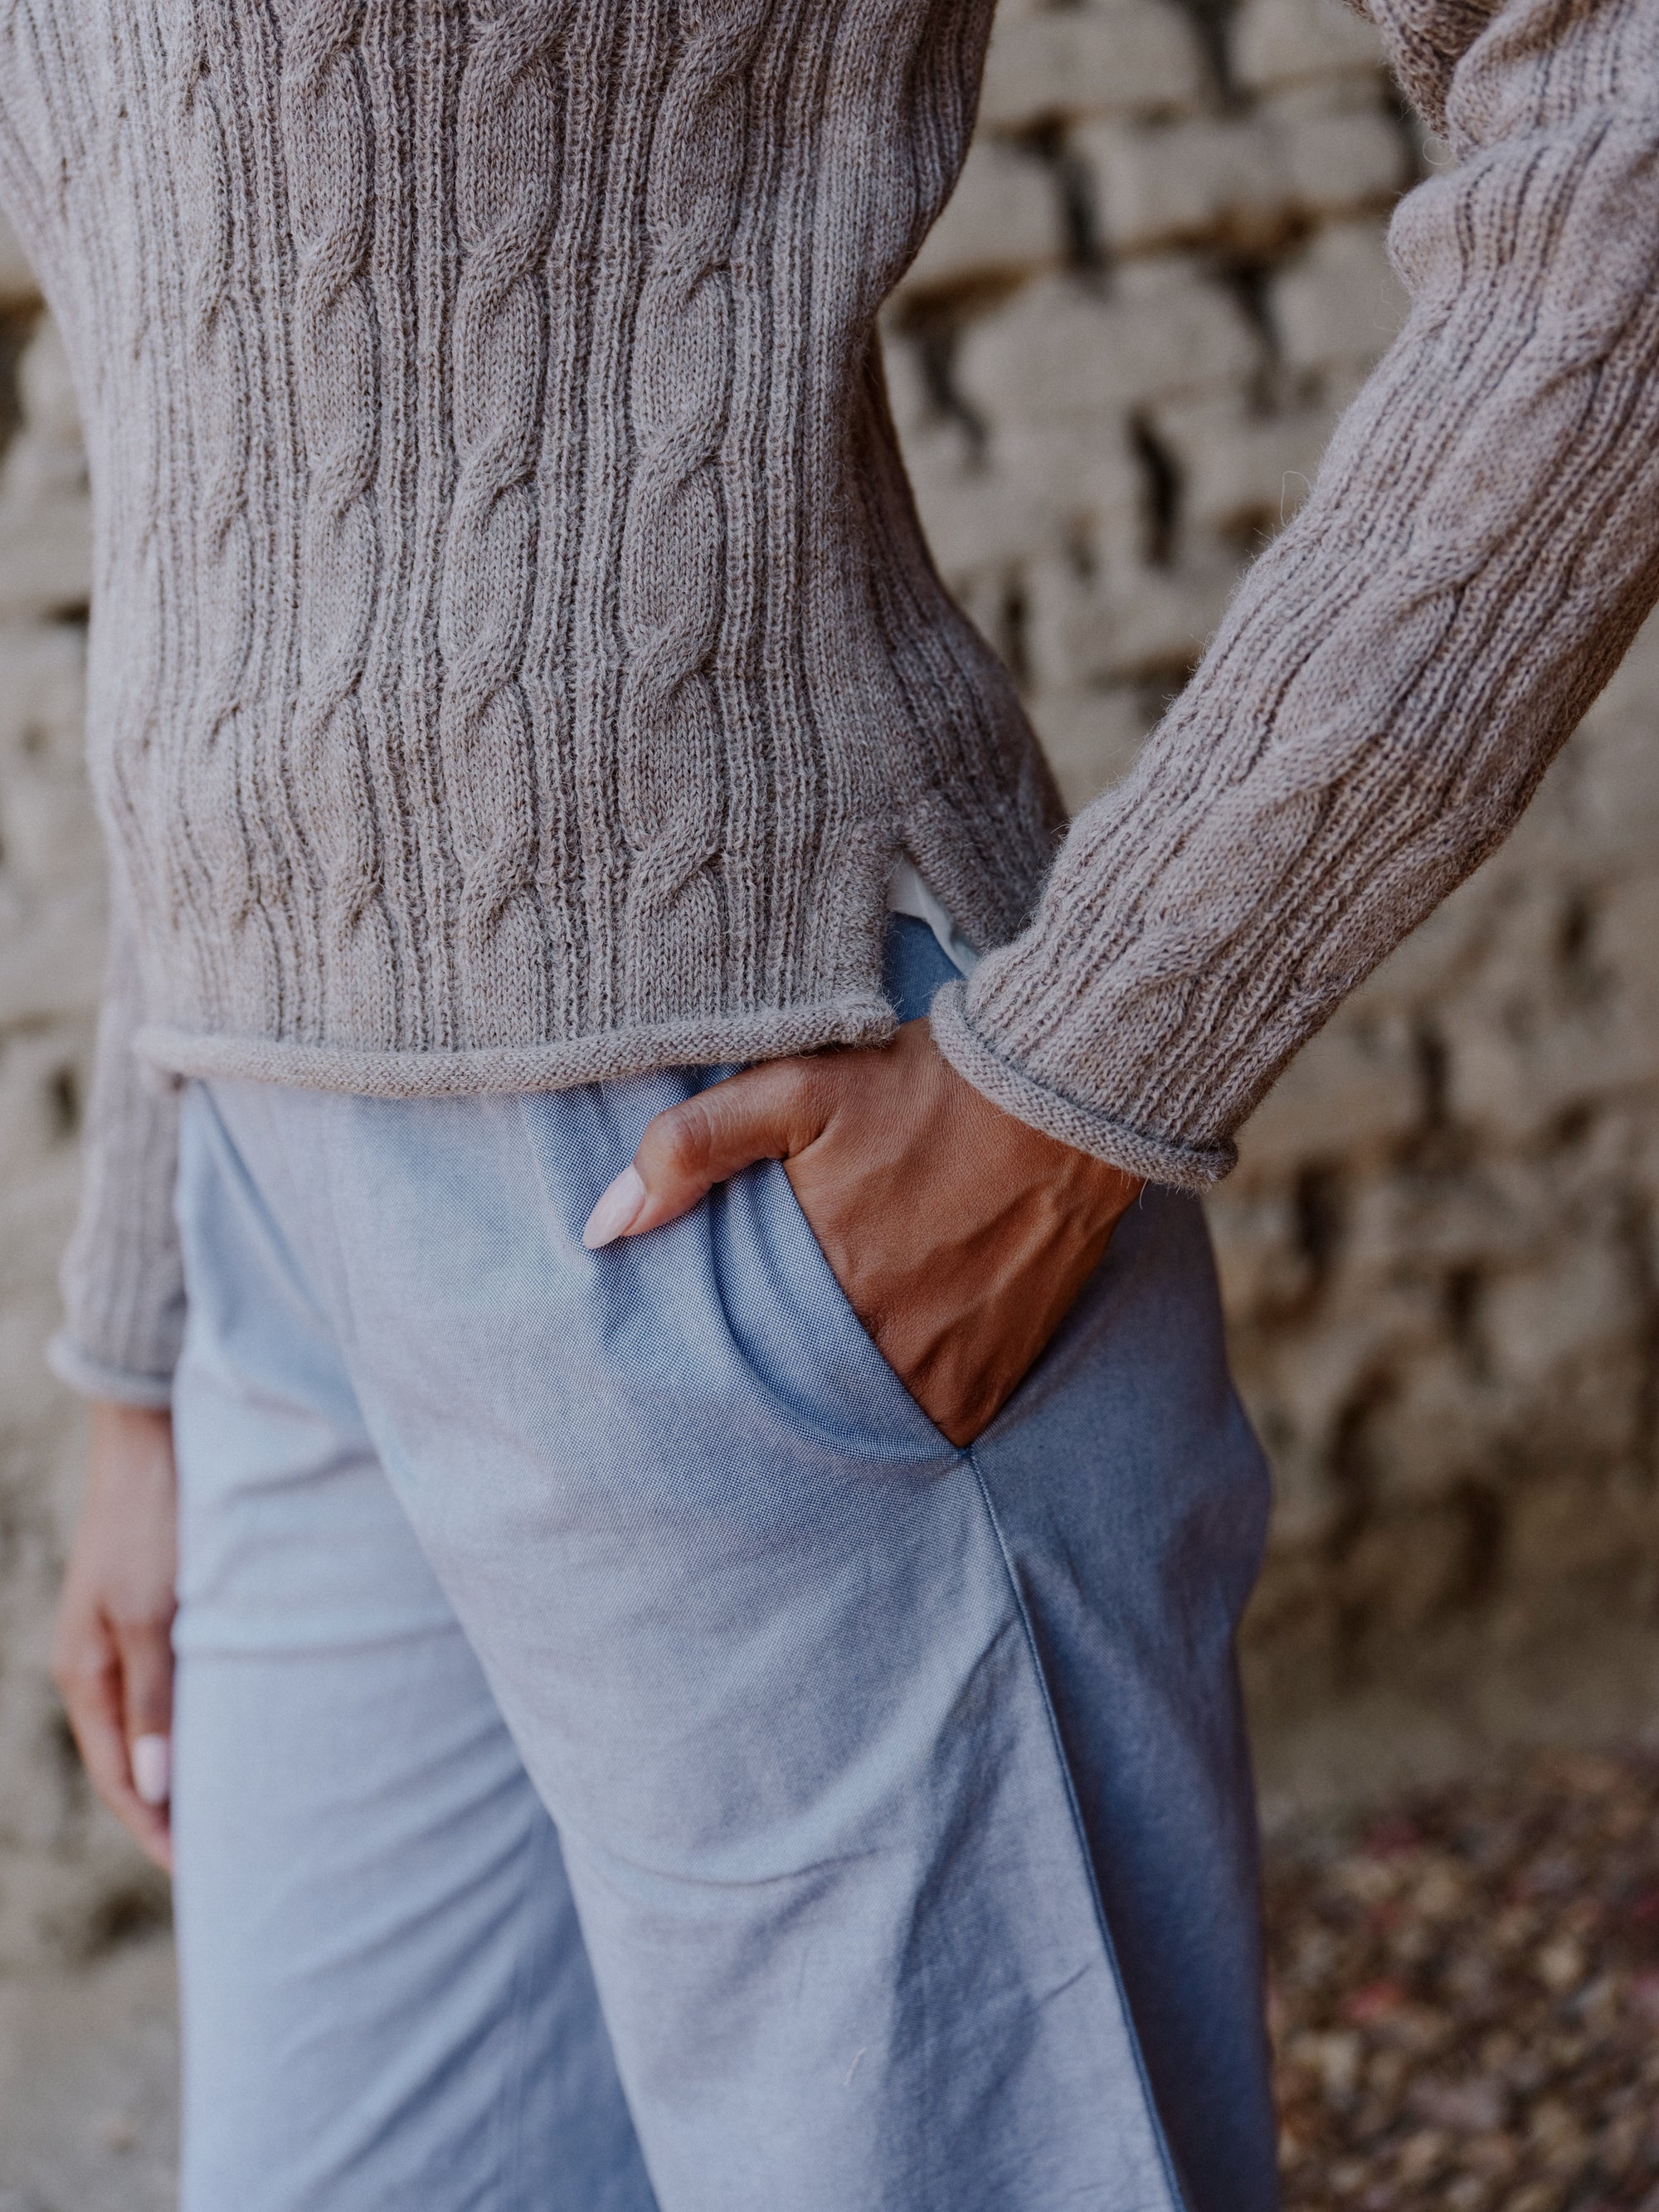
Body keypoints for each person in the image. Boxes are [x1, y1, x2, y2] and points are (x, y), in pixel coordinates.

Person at [18, 0, 1659, 2205]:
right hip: (284, 1274)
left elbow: (1619, 121)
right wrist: (152, 1354)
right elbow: (219, 457)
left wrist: (1089, 1074)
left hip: (758, 1214)